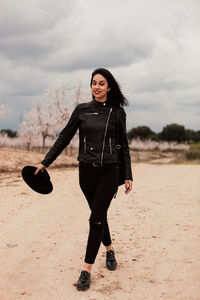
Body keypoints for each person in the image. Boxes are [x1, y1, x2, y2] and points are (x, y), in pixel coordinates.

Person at [34, 68, 133, 291]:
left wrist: (127, 175)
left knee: (95, 218)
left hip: (110, 171)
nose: (96, 87)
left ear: (109, 87)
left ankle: (86, 270)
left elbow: (124, 145)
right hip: (86, 173)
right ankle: (109, 249)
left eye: (101, 83)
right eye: (93, 83)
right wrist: (45, 162)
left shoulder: (117, 112)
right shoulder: (82, 110)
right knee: (99, 214)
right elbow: (64, 138)